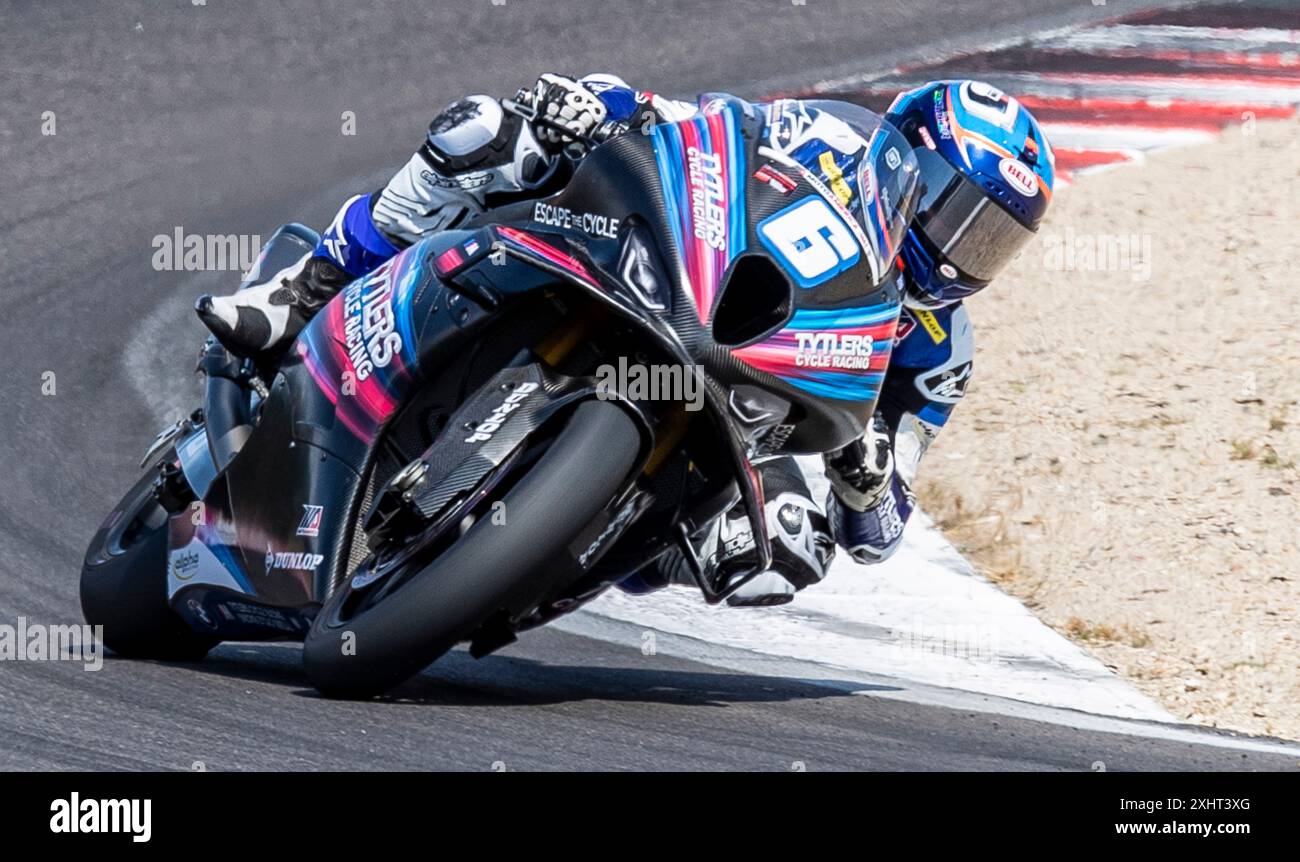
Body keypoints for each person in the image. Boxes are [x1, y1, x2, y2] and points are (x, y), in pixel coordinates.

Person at [195, 74, 1054, 606]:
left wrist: (867, 485)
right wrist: (603, 103)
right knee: (489, 131)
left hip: (748, 421)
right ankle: (299, 292)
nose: (957, 246)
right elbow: (706, 125)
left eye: (990, 239)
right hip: (672, 274)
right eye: (955, 210)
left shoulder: (940, 350)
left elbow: (880, 534)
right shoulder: (830, 143)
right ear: (909, 161)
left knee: (789, 548)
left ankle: (565, 557)